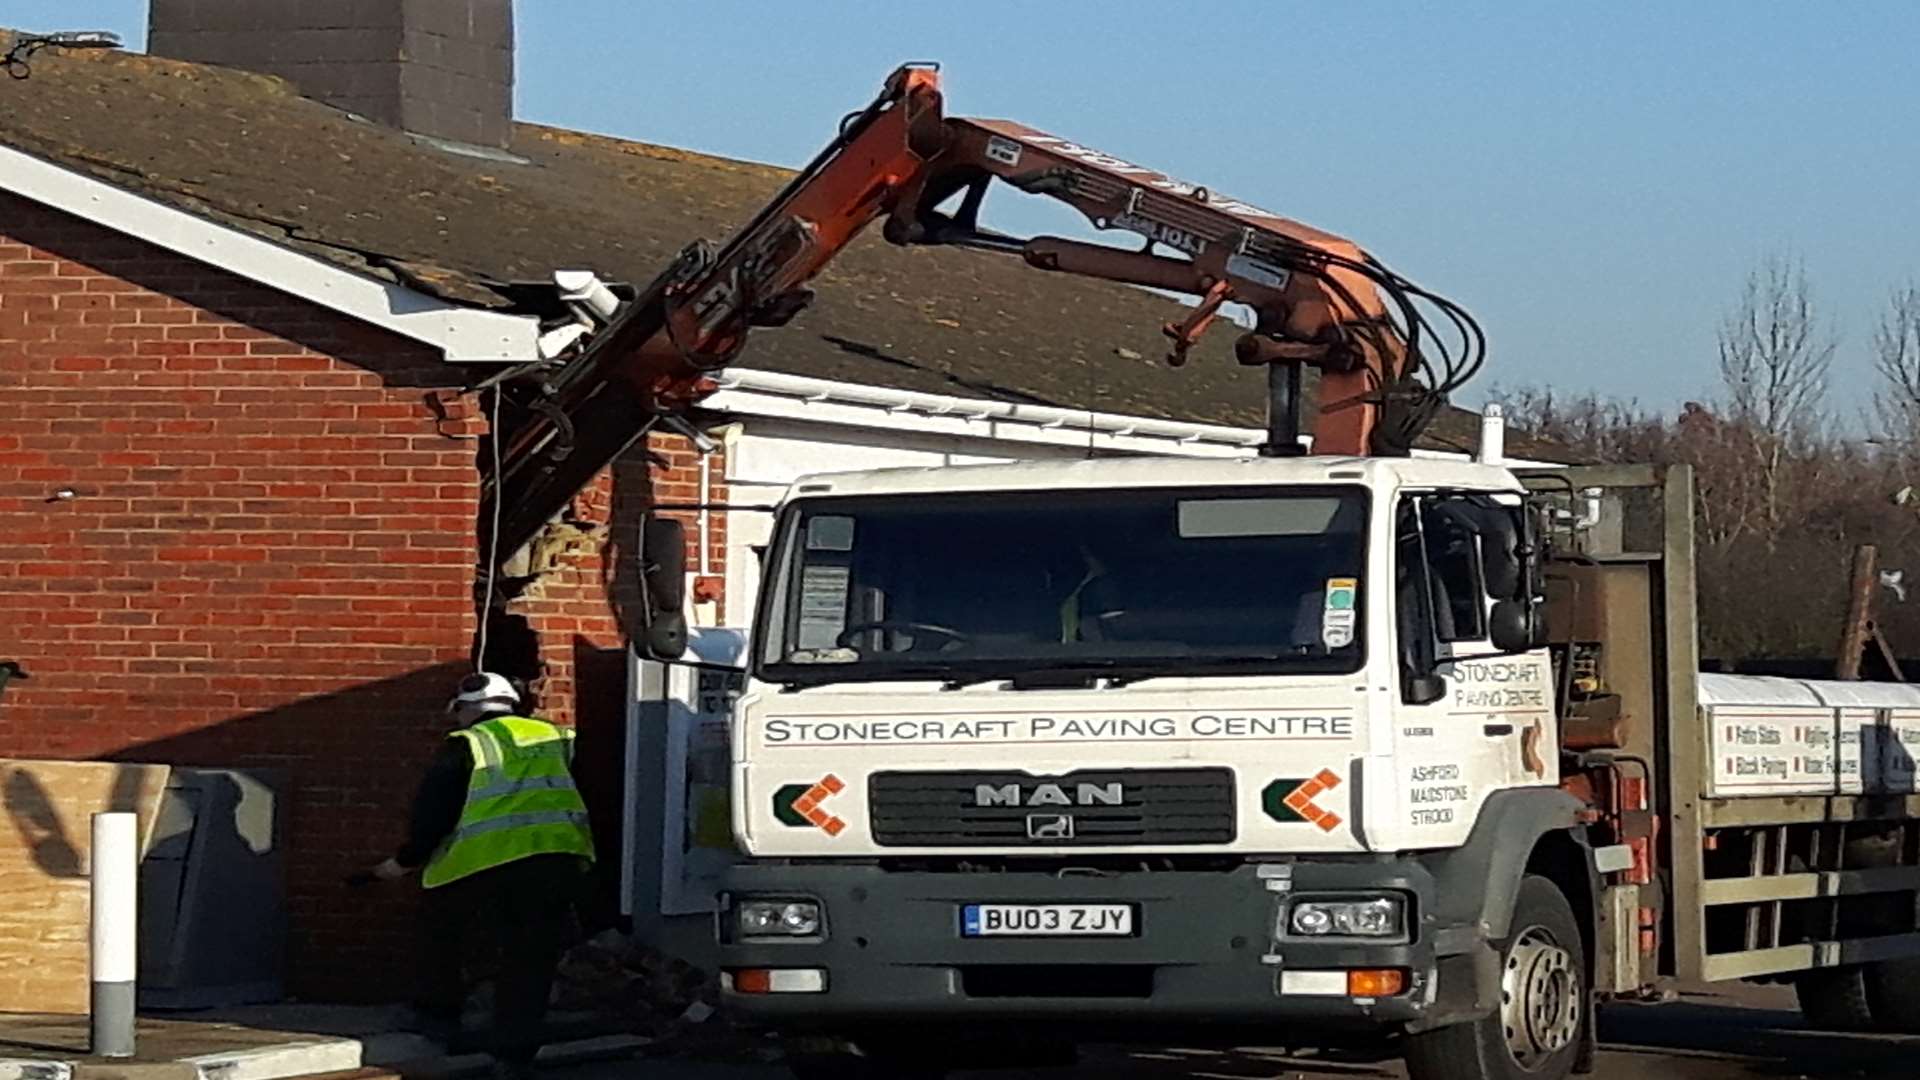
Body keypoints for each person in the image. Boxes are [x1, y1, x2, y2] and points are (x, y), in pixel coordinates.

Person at [361, 672, 596, 1079]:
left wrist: (403, 862)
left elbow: (433, 815)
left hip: (481, 864)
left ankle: (440, 1020)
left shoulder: (466, 744)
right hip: (555, 862)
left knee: (443, 939)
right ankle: (514, 1054)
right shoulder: (559, 737)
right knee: (530, 960)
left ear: (466, 710)